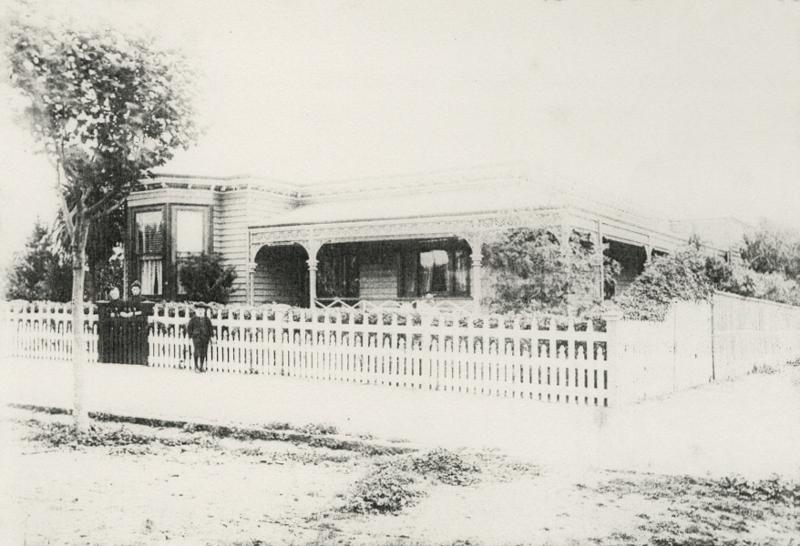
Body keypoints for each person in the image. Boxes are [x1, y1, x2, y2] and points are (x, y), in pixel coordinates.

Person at [186, 302, 214, 372]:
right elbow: (189, 328)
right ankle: (196, 366)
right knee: (197, 351)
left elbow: (210, 328)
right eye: (199, 310)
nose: (200, 311)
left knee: (203, 352)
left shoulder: (207, 319)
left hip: (205, 338)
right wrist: (190, 337)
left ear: (204, 311)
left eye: (202, 310)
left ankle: (201, 366)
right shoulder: (193, 319)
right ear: (196, 310)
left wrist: (212, 337)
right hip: (196, 337)